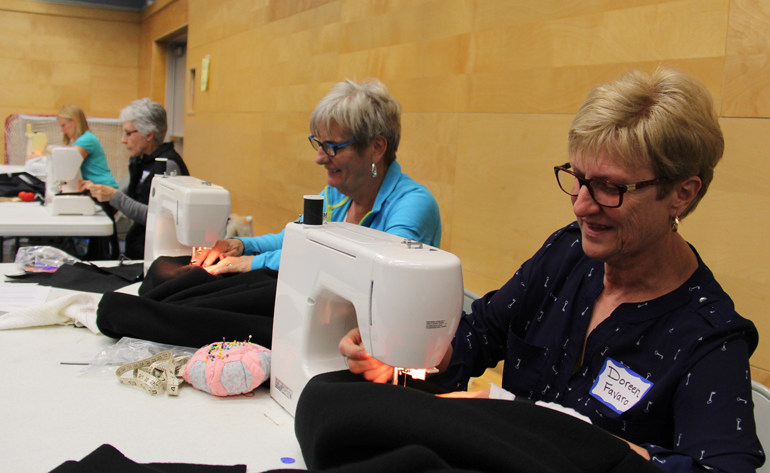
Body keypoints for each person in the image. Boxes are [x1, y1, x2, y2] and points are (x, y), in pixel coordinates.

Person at [338, 68, 763, 472]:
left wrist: (542, 423)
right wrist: (402, 358)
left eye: (610, 188)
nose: (581, 204)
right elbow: (478, 336)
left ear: (682, 195)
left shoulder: (709, 338)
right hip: (488, 452)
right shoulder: (568, 254)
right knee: (333, 399)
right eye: (577, 177)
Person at [198, 78, 441, 274]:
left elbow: (364, 268)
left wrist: (254, 263)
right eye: (320, 144)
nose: (320, 158)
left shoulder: (413, 205)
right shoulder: (336, 193)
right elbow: (293, 238)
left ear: (376, 147)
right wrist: (241, 246)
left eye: (333, 147)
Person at [80, 98, 189, 259]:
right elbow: (126, 195)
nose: (123, 140)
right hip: (138, 249)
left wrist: (115, 197)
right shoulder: (142, 161)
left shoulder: (167, 166)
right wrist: (98, 191)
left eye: (128, 133)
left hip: (156, 256)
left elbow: (160, 218)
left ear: (149, 134)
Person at [57, 105, 120, 259]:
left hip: (104, 190)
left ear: (74, 122)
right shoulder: (85, 139)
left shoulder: (87, 140)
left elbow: (66, 163)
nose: (62, 130)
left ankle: (100, 256)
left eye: (64, 125)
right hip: (97, 189)